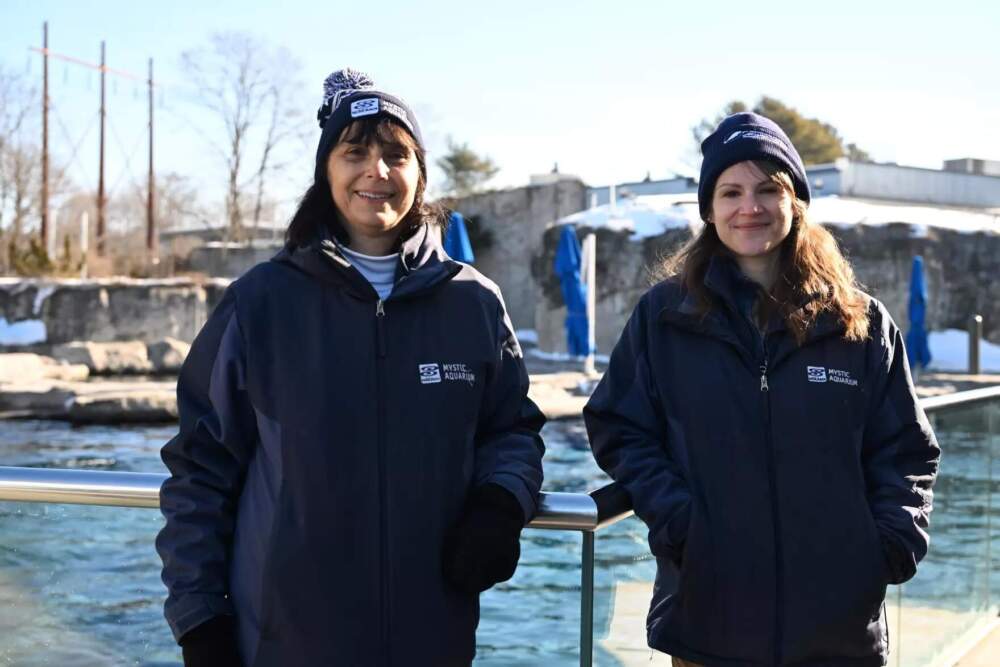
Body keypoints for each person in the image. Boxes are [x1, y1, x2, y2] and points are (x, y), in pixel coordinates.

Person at [155, 68, 545, 667]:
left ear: (419, 174)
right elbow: (199, 469)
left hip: (432, 637)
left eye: (396, 155)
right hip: (284, 642)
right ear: (326, 171)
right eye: (354, 153)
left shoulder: (474, 302)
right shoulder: (260, 303)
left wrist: (500, 503)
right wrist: (199, 620)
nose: (376, 171)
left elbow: (512, 430)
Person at [584, 112, 939, 667]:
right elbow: (618, 425)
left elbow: (907, 450)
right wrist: (681, 523)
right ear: (709, 209)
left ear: (795, 201)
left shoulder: (860, 322)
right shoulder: (664, 317)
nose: (749, 207)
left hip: (838, 631)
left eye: (768, 189)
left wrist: (888, 546)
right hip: (708, 621)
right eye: (731, 192)